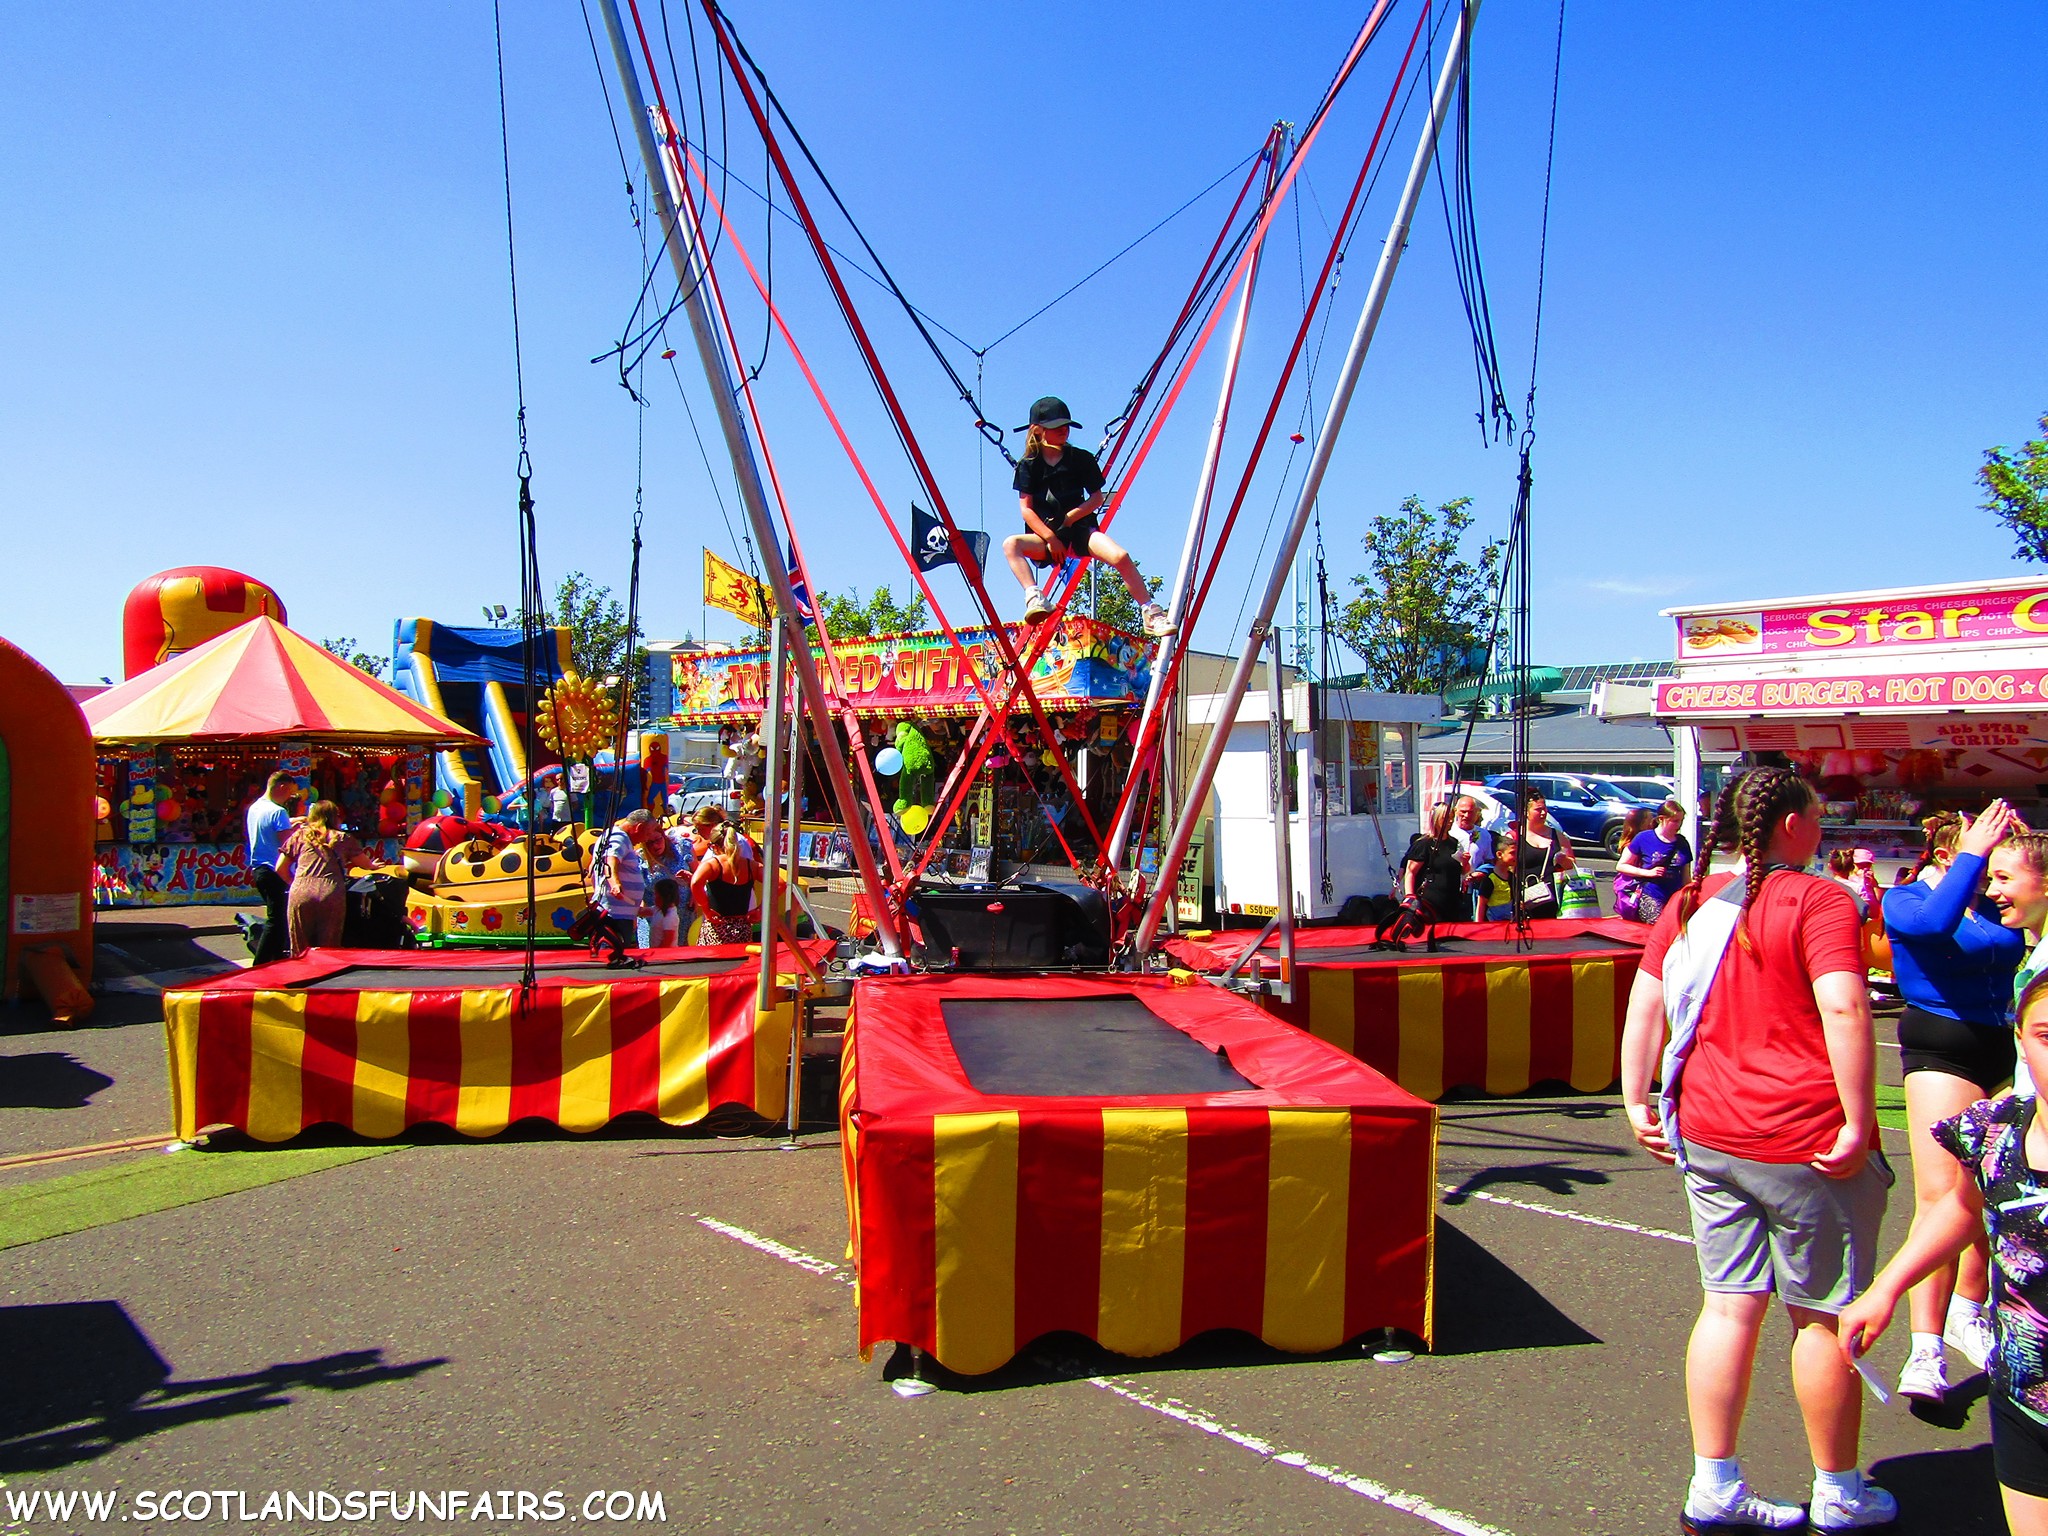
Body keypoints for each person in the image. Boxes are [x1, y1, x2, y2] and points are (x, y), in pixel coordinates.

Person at [1619, 766, 1896, 1533]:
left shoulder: (1692, 899)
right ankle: (1838, 1491)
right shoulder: (1820, 898)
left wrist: (1633, 1096)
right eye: (1816, 816)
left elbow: (1645, 1001)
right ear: (1790, 825)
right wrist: (1858, 1119)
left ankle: (1715, 1484)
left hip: (1710, 1130)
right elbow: (1844, 1004)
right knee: (1821, 1316)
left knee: (1728, 1307)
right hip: (1804, 1136)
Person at [1839, 971, 2048, 1536]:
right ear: (2020, 1040)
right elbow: (1961, 1207)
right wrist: (1885, 1288)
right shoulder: (1998, 1132)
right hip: (2025, 1396)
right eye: (2047, 1036)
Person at [1881, 802, 2021, 1401]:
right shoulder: (1907, 898)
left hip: (2008, 1047)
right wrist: (1973, 854)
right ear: (1949, 855)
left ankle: (1972, 1309)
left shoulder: (2000, 905)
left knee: (2000, 1194)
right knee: (1941, 1199)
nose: (1994, 877)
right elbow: (1937, 924)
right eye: (1988, 860)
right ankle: (1925, 1348)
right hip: (1942, 1049)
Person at [1002, 396, 1174, 638]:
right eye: (1056, 426)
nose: (1064, 430)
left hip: (1080, 529)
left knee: (1121, 556)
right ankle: (1034, 596)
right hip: (1047, 536)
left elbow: (1096, 499)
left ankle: (1150, 612)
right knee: (1011, 544)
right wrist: (1051, 537)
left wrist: (1069, 519)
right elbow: (1026, 509)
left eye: (1066, 425)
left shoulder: (1080, 459)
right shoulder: (1029, 466)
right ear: (1039, 430)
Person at [277, 799, 375, 956]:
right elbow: (365, 864)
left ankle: (301, 977)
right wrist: (374, 866)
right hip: (331, 891)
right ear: (335, 817)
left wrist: (294, 883)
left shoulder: (300, 836)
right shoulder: (343, 838)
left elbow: (280, 868)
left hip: (301, 890)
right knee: (329, 946)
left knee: (300, 947)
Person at [244, 770, 300, 964]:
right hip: (275, 868)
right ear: (281, 787)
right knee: (277, 919)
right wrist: (300, 831)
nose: (289, 798)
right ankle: (261, 962)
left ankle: (274, 960)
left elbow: (268, 829)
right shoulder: (278, 812)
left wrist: (292, 823)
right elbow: (287, 843)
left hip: (259, 868)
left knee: (276, 917)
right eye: (290, 793)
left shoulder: (256, 808)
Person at [690, 807, 759, 945]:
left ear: (709, 825)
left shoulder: (736, 843)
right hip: (735, 919)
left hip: (726, 915)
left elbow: (696, 882)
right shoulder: (725, 852)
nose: (698, 833)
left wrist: (706, 908)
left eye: (698, 828)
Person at [592, 809, 653, 952]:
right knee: (613, 954)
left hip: (620, 912)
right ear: (639, 827)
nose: (647, 838)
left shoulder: (616, 836)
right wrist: (615, 884)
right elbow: (610, 859)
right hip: (614, 915)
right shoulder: (618, 837)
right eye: (649, 833)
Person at [1511, 791, 1575, 920]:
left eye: (1545, 809)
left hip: (1555, 900)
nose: (1543, 813)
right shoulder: (1514, 837)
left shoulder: (1558, 835)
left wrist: (1564, 860)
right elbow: (1508, 870)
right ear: (1525, 812)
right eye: (1538, 809)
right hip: (1526, 900)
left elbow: (1572, 866)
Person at [1401, 803, 1468, 922]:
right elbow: (1410, 872)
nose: (1450, 821)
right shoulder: (1424, 844)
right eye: (1446, 818)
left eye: (1452, 817)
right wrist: (1410, 898)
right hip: (1429, 903)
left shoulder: (1454, 843)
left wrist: (1466, 862)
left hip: (1451, 902)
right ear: (1436, 819)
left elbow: (1463, 871)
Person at [1446, 795, 1496, 919]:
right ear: (1456, 811)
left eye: (1470, 812)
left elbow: (1490, 861)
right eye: (1463, 812)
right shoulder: (1448, 833)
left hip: (1475, 891)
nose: (1466, 816)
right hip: (1451, 889)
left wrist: (1481, 872)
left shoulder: (1483, 834)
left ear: (1477, 814)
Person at [1825, 848, 1869, 918]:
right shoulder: (1858, 888)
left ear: (1830, 866)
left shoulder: (1823, 886)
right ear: (1852, 867)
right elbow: (1871, 913)